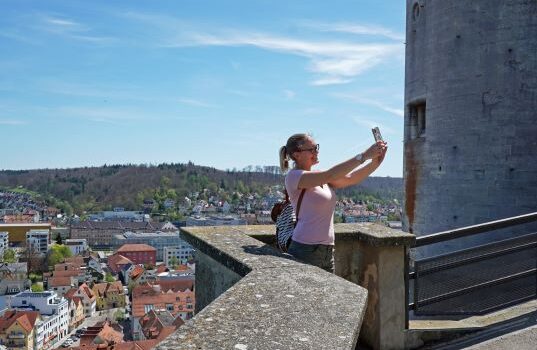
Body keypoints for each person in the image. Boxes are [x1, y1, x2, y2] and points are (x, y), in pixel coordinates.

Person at [279, 133, 387, 273]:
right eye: (311, 149)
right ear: (296, 154)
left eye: (316, 147)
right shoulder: (294, 177)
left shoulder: (319, 176)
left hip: (327, 250)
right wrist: (364, 155)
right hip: (305, 249)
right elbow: (330, 175)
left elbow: (350, 178)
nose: (316, 152)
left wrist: (375, 162)